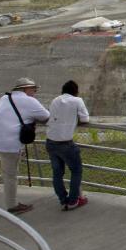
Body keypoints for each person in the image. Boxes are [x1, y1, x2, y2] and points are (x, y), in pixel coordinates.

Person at [0, 78, 50, 214]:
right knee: (10, 175)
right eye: (33, 89)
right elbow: (46, 116)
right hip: (10, 143)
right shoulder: (29, 101)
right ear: (25, 89)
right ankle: (12, 205)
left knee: (6, 171)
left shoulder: (5, 98)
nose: (35, 92)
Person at [45, 80, 90, 211]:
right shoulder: (77, 101)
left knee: (57, 173)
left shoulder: (55, 100)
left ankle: (63, 199)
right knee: (76, 171)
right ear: (76, 91)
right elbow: (85, 119)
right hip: (65, 143)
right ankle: (73, 201)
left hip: (50, 142)